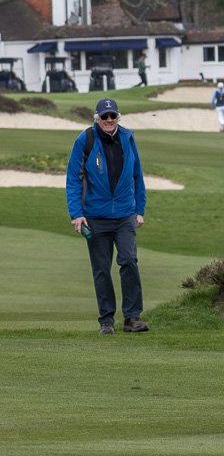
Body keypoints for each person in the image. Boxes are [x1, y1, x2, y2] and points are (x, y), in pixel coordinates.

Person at [67, 98, 149, 335]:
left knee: (129, 261)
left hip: (125, 214)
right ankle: (106, 321)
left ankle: (132, 318)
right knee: (102, 269)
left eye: (113, 116)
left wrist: (140, 209)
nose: (109, 120)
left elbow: (137, 175)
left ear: (118, 117)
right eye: (104, 116)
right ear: (97, 118)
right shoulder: (85, 140)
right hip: (95, 216)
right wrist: (76, 214)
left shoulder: (128, 138)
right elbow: (73, 179)